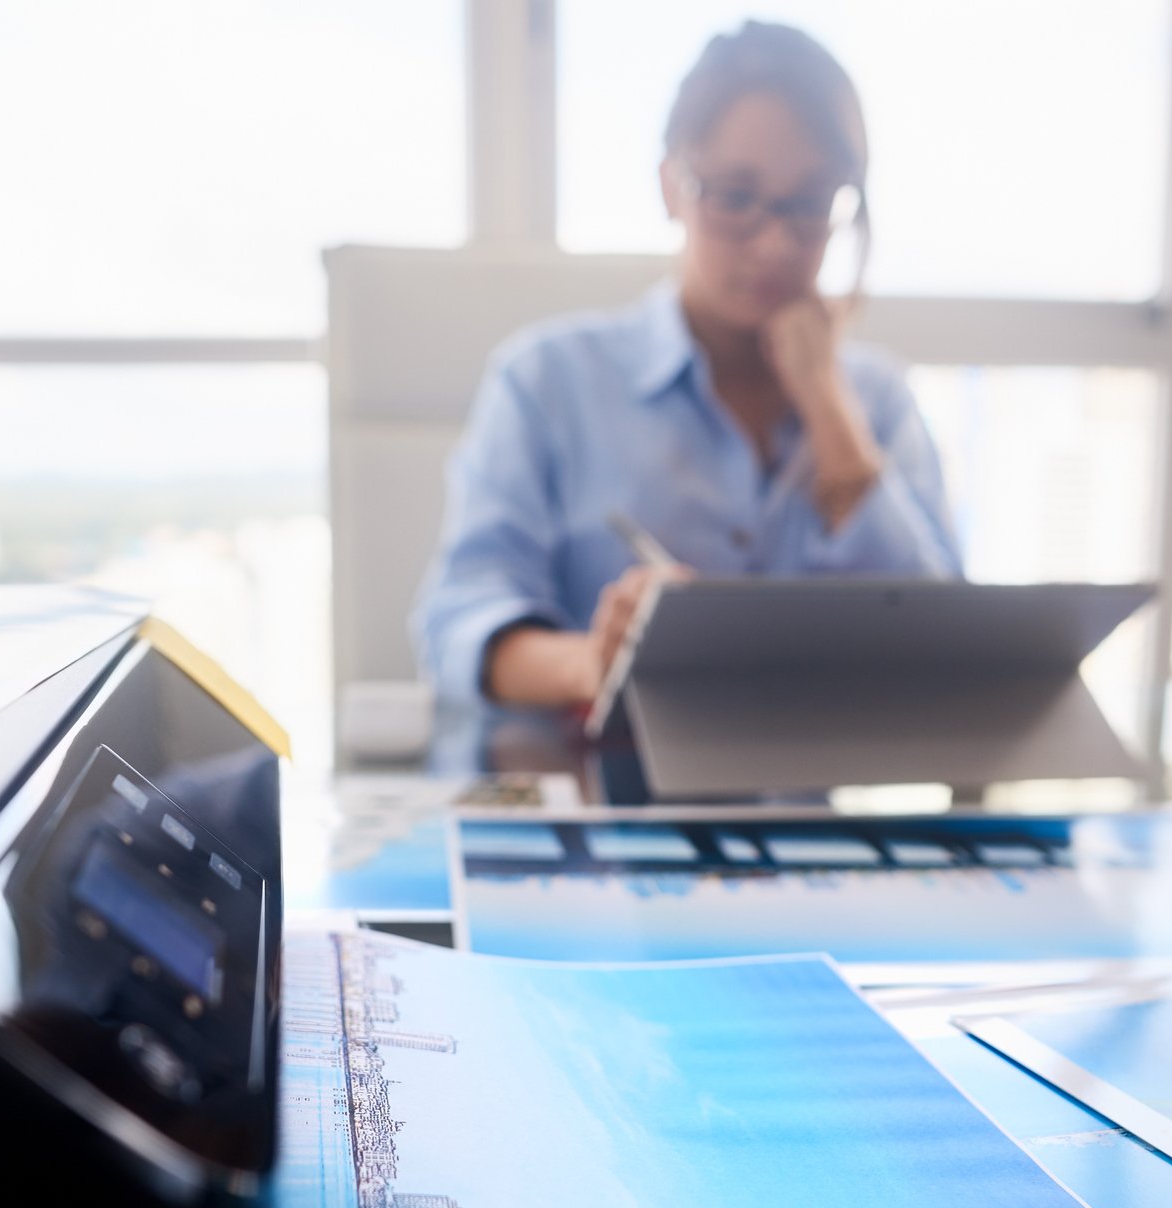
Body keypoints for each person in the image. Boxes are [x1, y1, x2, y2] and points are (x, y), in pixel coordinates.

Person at [411, 20, 962, 711]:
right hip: (592, 793)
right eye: (734, 196)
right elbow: (459, 621)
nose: (772, 243)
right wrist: (593, 661)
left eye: (809, 204)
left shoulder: (875, 400)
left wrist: (828, 408)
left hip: (801, 812)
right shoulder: (546, 378)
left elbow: (948, 656)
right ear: (672, 186)